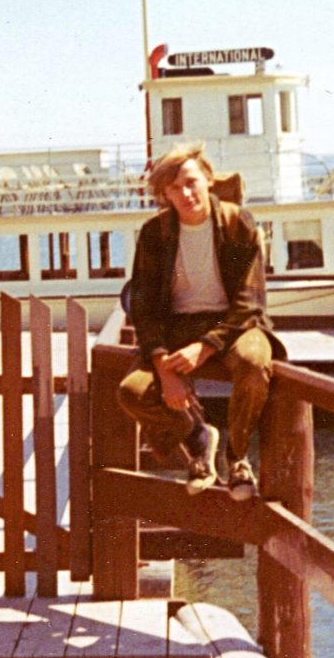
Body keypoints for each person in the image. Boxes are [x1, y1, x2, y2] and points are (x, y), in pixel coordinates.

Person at [117, 142, 285, 500]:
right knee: (131, 392)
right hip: (175, 329)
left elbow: (249, 301)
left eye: (191, 182)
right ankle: (198, 438)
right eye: (174, 188)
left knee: (255, 363)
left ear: (208, 179)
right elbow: (143, 308)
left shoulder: (238, 222)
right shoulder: (154, 233)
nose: (185, 193)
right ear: (164, 193)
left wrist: (205, 347)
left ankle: (237, 457)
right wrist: (164, 367)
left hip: (235, 325)